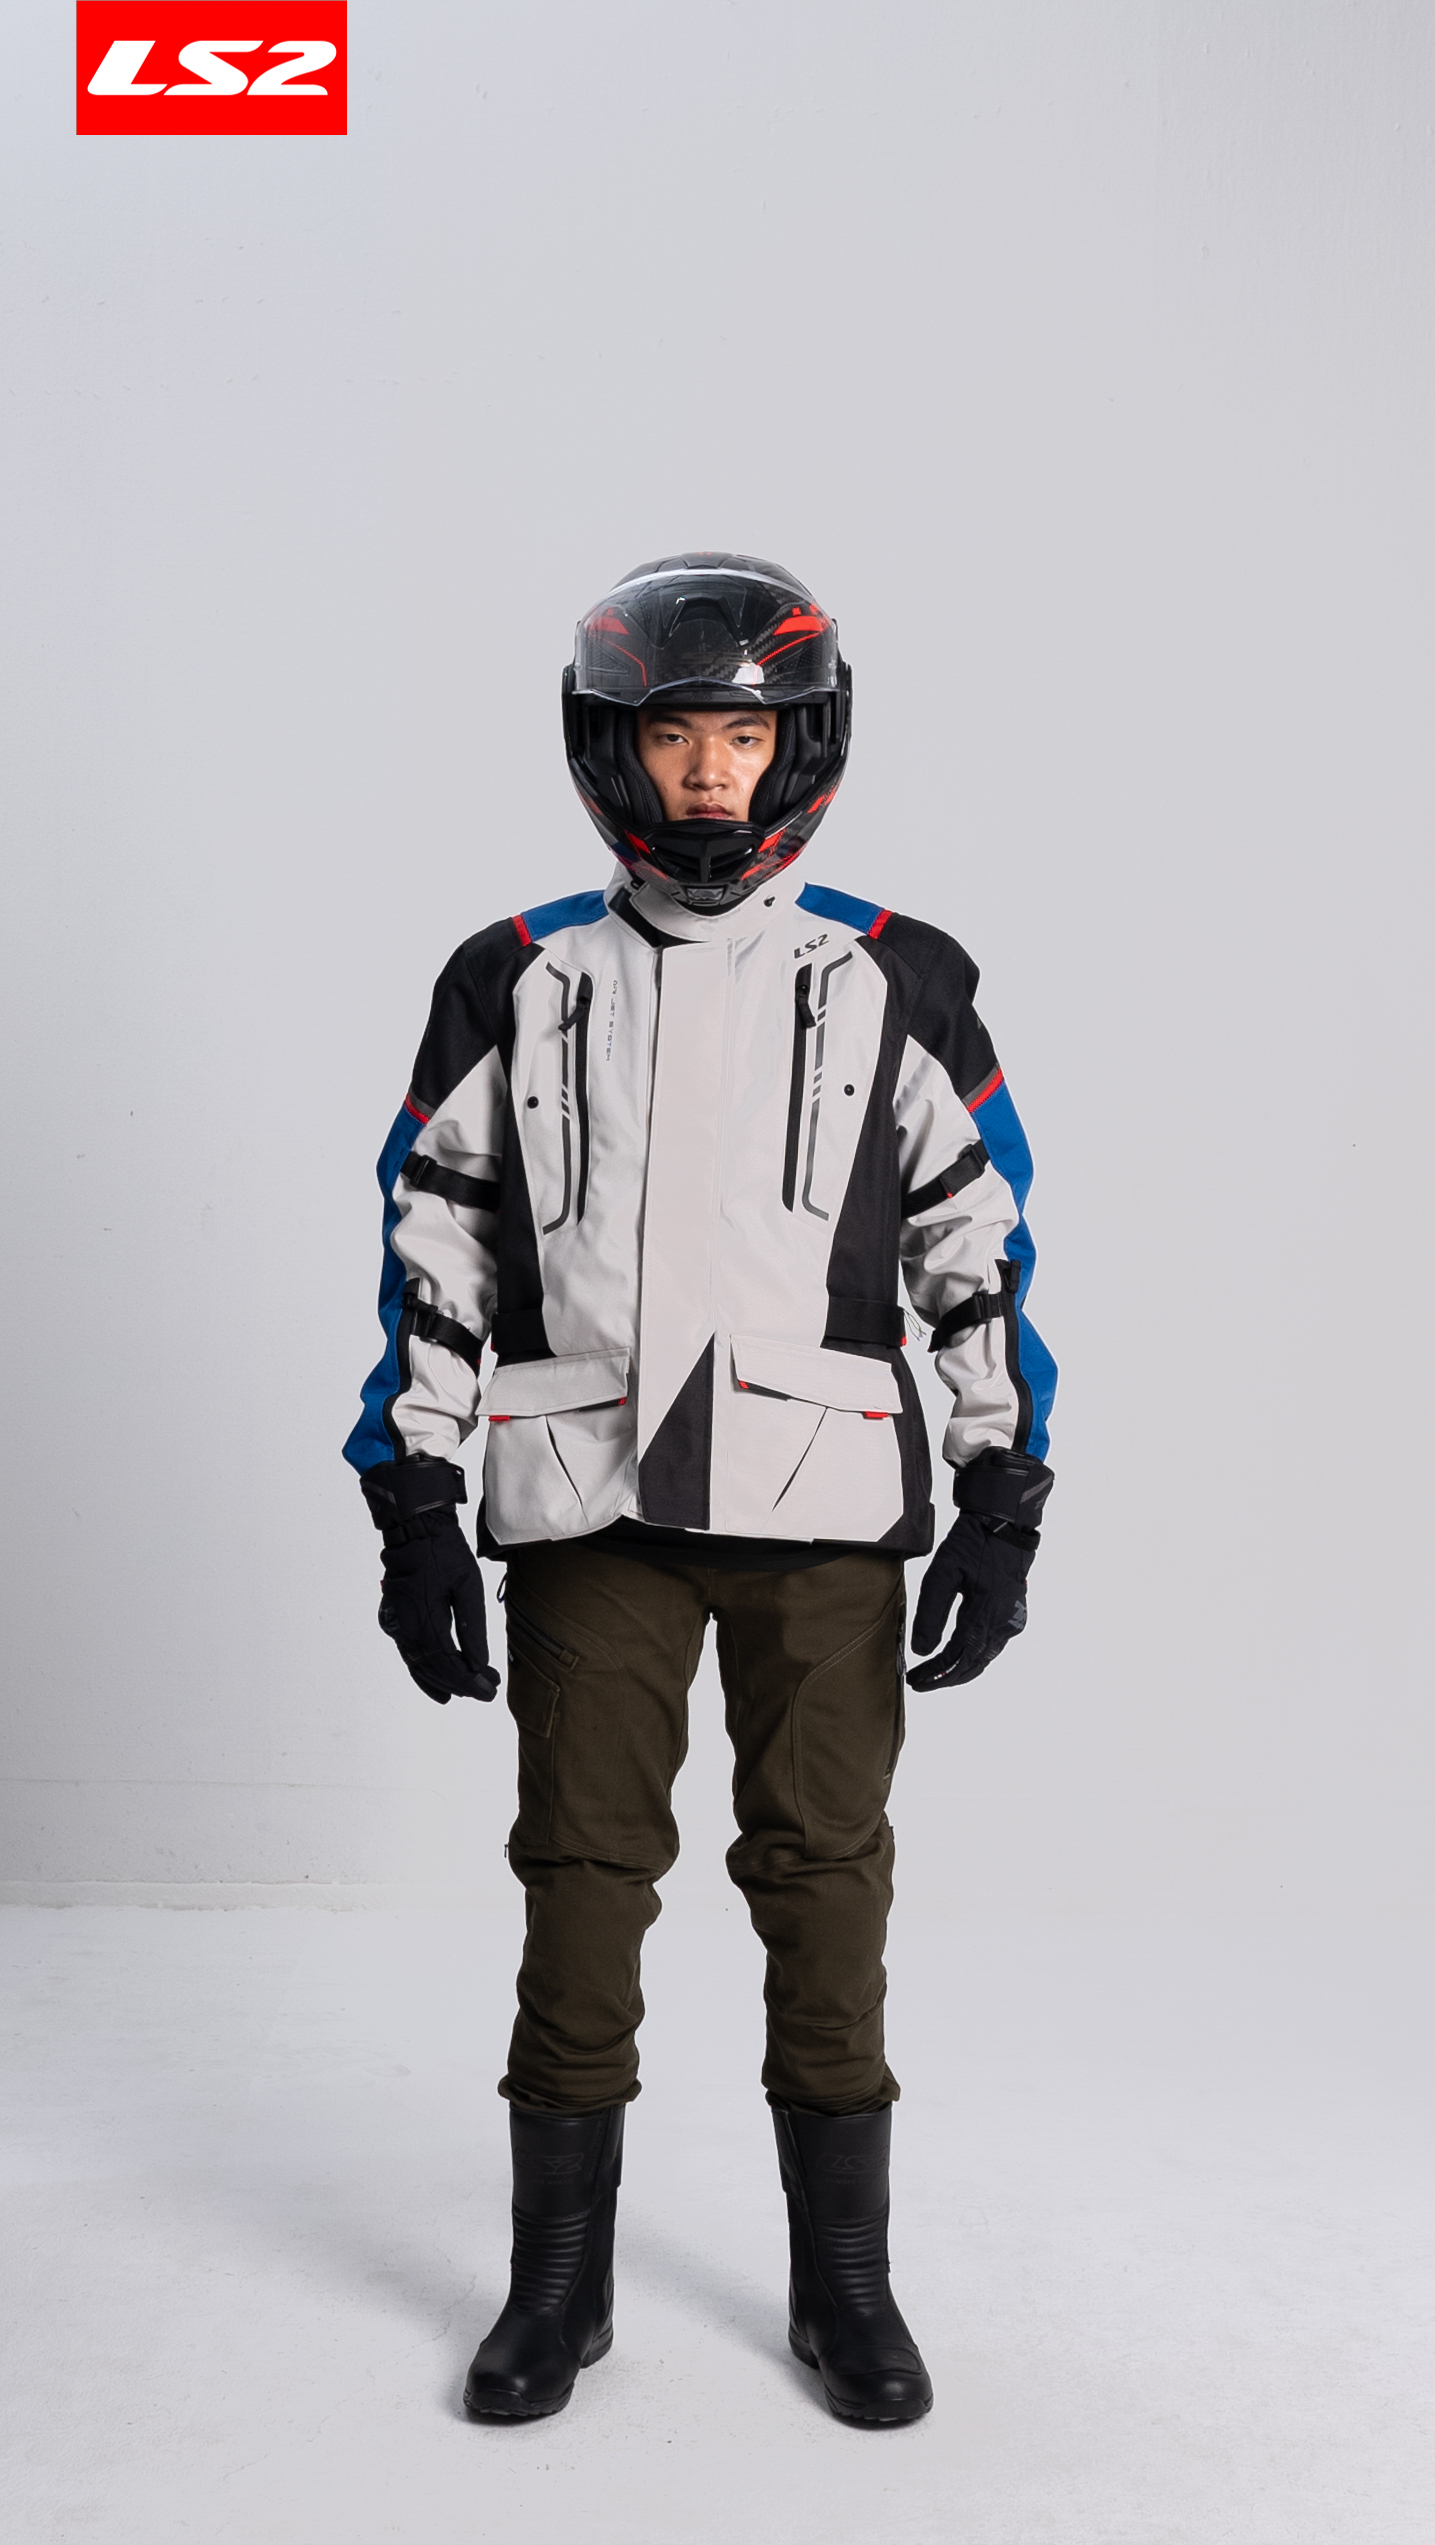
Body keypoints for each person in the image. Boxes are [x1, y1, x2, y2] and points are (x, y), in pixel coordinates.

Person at [344, 553, 1056, 2427]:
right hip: (592, 1518)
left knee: (825, 1887)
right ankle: (556, 2282)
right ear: (615, 750)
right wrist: (413, 1498)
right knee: (581, 1884)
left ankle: (846, 2283)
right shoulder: (514, 976)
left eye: (744, 734)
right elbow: (436, 1248)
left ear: (801, 744)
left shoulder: (901, 973)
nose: (712, 771)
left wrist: (1002, 1490)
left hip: (823, 1520)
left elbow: (981, 1252)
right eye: (677, 735)